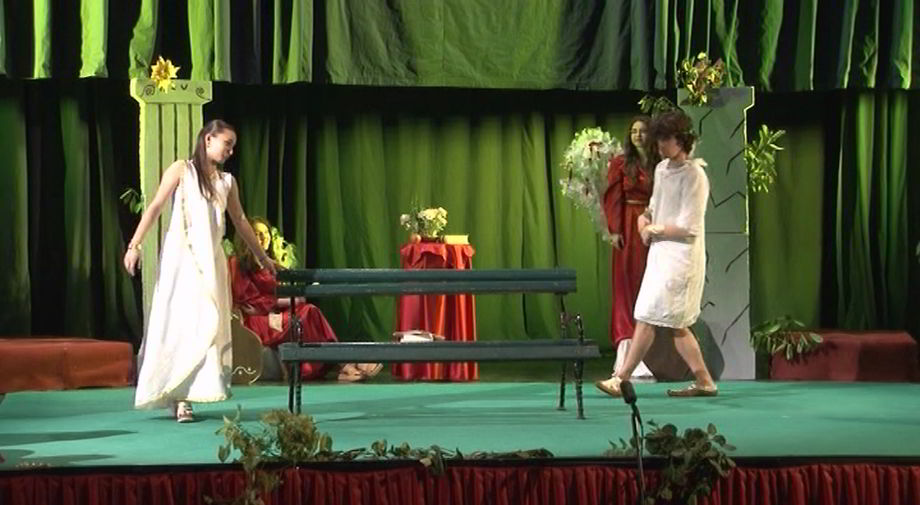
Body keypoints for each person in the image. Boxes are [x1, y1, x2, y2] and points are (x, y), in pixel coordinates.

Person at [124, 119, 276, 423]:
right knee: (183, 322)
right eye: (227, 143)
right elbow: (155, 206)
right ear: (208, 139)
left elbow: (240, 220)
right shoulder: (182, 170)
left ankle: (193, 391)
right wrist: (134, 245)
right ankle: (178, 396)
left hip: (212, 262)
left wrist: (263, 257)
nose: (230, 151)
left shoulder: (227, 182)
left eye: (233, 146)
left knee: (207, 323)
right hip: (182, 261)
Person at [596, 110, 718, 398]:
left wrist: (655, 229)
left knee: (649, 316)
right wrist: (643, 220)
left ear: (682, 139)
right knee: (675, 325)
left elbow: (690, 227)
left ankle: (621, 378)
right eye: (658, 138)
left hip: (681, 258)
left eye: (666, 138)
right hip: (660, 254)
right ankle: (704, 381)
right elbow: (652, 207)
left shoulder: (694, 175)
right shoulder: (662, 169)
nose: (660, 144)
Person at [228, 217, 382, 382]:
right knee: (307, 313)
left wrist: (292, 298)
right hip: (256, 320)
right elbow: (247, 299)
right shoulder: (237, 263)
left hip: (275, 313)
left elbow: (277, 292)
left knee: (311, 312)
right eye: (257, 233)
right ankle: (345, 364)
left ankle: (344, 365)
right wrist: (286, 301)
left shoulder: (269, 263)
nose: (263, 238)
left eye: (266, 233)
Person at [603, 116, 659, 381]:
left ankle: (654, 353)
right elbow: (613, 197)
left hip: (654, 226)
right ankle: (627, 353)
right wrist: (614, 229)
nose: (638, 135)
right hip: (628, 226)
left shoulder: (660, 163)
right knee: (626, 286)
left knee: (650, 284)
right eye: (634, 131)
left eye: (643, 131)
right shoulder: (621, 163)